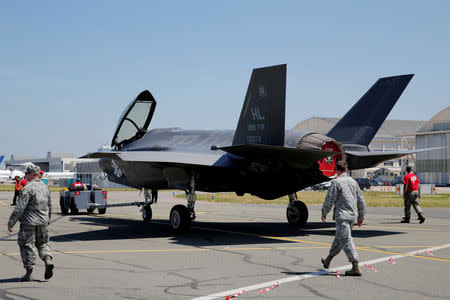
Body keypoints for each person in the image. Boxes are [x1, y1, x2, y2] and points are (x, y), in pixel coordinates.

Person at [7, 164, 54, 282]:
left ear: (33, 174)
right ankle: (47, 260)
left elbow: (20, 207)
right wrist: (47, 220)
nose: (25, 176)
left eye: (27, 174)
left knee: (27, 245)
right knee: (43, 243)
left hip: (29, 222)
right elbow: (50, 206)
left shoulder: (28, 188)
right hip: (43, 222)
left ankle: (29, 272)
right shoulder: (45, 187)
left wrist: (12, 221)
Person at [321, 161, 366, 276]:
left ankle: (355, 265)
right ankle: (328, 259)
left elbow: (329, 199)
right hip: (352, 216)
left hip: (343, 216)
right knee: (340, 238)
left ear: (336, 170)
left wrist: (324, 212)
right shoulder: (353, 182)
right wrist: (361, 216)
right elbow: (361, 200)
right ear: (346, 170)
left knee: (345, 239)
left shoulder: (336, 182)